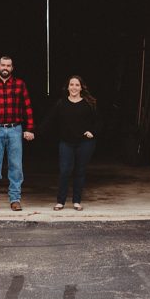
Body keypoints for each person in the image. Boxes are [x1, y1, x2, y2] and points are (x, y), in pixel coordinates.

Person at [0, 55, 34, 211]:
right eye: (3, 65)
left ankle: (15, 199)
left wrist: (29, 128)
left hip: (15, 129)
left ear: (12, 68)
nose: (5, 68)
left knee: (16, 166)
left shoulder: (20, 85)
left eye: (8, 66)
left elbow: (27, 108)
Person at [39, 75, 97, 211]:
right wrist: (34, 132)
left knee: (80, 171)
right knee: (65, 171)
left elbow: (99, 121)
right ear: (68, 87)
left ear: (81, 87)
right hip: (66, 143)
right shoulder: (61, 103)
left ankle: (77, 201)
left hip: (85, 143)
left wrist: (92, 131)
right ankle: (61, 202)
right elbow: (49, 120)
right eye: (72, 85)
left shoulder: (89, 103)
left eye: (77, 85)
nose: (74, 87)